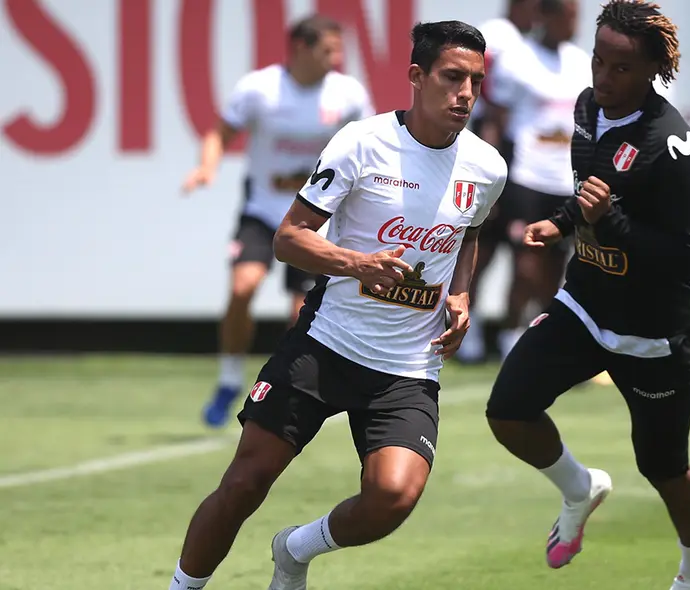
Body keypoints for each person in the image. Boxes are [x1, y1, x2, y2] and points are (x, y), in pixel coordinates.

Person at [166, 20, 507, 590]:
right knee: (245, 482)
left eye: (476, 79)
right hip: (324, 347)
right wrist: (358, 263)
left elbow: (470, 232)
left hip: (407, 366)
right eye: (453, 77)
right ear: (417, 78)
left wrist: (463, 290)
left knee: (393, 496)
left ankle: (295, 549)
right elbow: (288, 238)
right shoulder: (362, 141)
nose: (466, 93)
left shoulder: (487, 166)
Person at [485, 2, 690, 589]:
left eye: (621, 67)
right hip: (584, 305)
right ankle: (580, 486)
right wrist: (562, 223)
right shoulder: (588, 107)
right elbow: (594, 191)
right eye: (598, 60)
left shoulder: (674, 146)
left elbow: (685, 256)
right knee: (508, 411)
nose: (603, 76)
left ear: (651, 71)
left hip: (650, 332)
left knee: (664, 468)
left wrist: (610, 223)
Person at [182, 14, 375, 428]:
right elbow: (219, 133)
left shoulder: (348, 94)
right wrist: (206, 167)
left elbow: (371, 149)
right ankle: (229, 378)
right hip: (262, 212)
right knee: (242, 286)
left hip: (313, 221)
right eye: (329, 50)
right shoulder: (259, 89)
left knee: (301, 313)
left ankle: (292, 392)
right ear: (301, 48)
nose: (337, 58)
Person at [483, 0, 591, 359]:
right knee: (525, 264)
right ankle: (509, 333)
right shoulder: (516, 58)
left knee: (555, 268)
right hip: (526, 177)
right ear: (545, 15)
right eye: (568, 15)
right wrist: (488, 175)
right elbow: (495, 121)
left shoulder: (580, 62)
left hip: (565, 182)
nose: (574, 23)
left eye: (577, 16)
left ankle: (545, 337)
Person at [456, 0, 539, 363]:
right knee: (480, 247)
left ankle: (510, 333)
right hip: (494, 147)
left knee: (525, 254)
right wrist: (487, 162)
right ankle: (466, 332)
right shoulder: (498, 39)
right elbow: (490, 107)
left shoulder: (536, 48)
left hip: (525, 162)